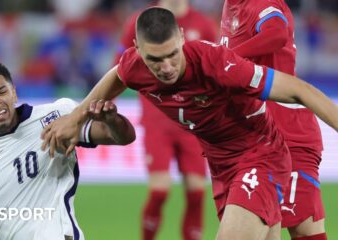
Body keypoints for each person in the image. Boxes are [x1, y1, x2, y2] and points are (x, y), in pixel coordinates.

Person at [41, 7, 338, 240]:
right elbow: (117, 75)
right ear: (137, 48)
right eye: (155, 59)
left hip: (260, 156)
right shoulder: (136, 66)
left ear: (182, 37)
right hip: (221, 166)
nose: (167, 67)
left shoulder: (217, 63)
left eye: (172, 54)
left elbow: (299, 90)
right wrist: (77, 116)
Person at [0, 62, 136, 240]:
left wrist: (111, 120)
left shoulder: (58, 116)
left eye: (1, 92)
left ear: (13, 92)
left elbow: (123, 137)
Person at [220, 1, 327, 239]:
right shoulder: (231, 5)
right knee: (266, 228)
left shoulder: (262, 3)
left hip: (287, 131)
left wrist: (226, 59)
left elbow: (277, 32)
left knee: (303, 228)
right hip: (255, 137)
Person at [114, 1, 217, 239]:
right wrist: (107, 103)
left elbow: (215, 66)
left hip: (193, 123)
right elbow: (119, 67)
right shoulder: (142, 22)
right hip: (157, 119)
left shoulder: (202, 24)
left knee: (197, 192)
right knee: (159, 191)